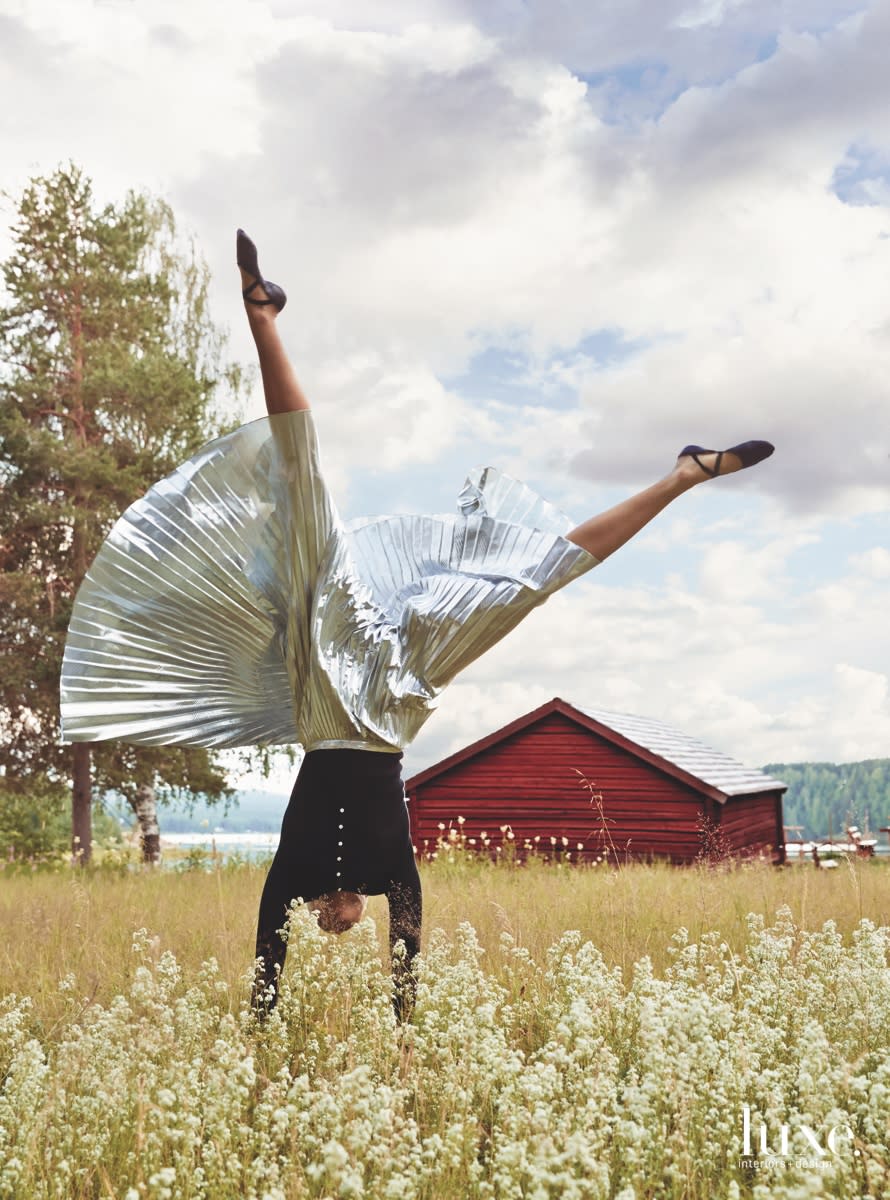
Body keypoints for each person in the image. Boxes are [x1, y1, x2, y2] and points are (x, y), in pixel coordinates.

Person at [60, 229, 774, 1023]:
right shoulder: (386, 868)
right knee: (541, 572)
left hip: (324, 666)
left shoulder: (295, 870)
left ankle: (264, 318)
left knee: (305, 486)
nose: (334, 923)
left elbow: (270, 938)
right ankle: (681, 474)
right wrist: (407, 1034)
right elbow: (408, 938)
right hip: (407, 677)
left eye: (327, 923)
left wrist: (259, 1025)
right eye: (342, 924)